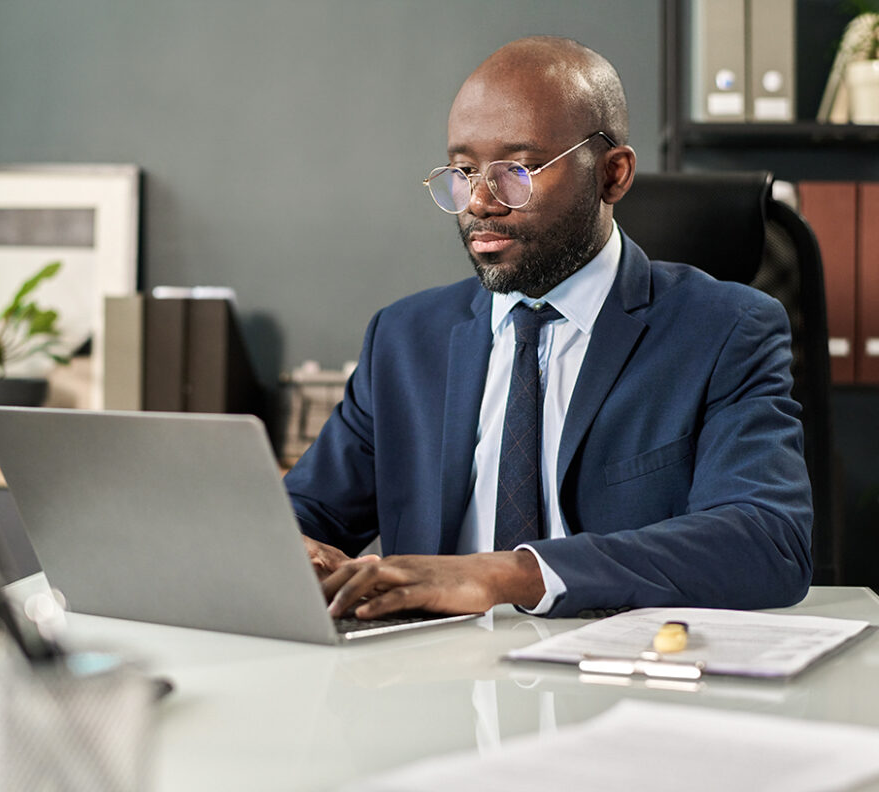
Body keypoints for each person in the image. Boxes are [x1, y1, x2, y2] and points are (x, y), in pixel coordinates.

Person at [283, 36, 812, 620]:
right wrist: (289, 546)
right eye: (462, 171)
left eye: (518, 169)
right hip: (428, 681)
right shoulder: (404, 339)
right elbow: (302, 512)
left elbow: (769, 542)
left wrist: (505, 574)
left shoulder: (725, 330)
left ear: (613, 175)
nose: (480, 201)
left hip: (621, 681)